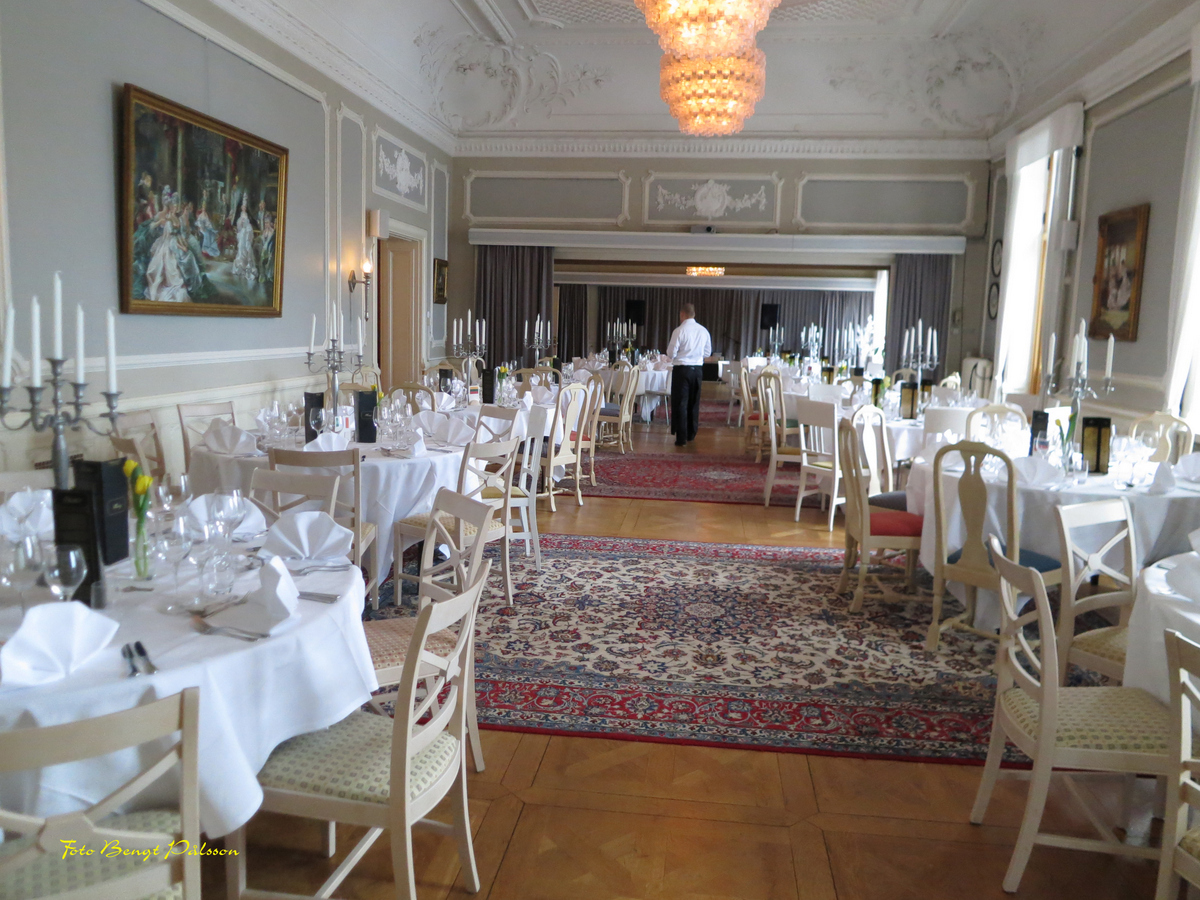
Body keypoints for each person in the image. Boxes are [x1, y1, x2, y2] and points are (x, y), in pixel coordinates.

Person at [666, 302, 712, 446]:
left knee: (681, 403)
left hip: (682, 370)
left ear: (682, 314)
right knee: (694, 402)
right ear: (694, 314)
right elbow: (707, 353)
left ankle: (681, 437)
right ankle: (691, 434)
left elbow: (671, 353)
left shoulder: (679, 331)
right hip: (697, 370)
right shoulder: (703, 331)